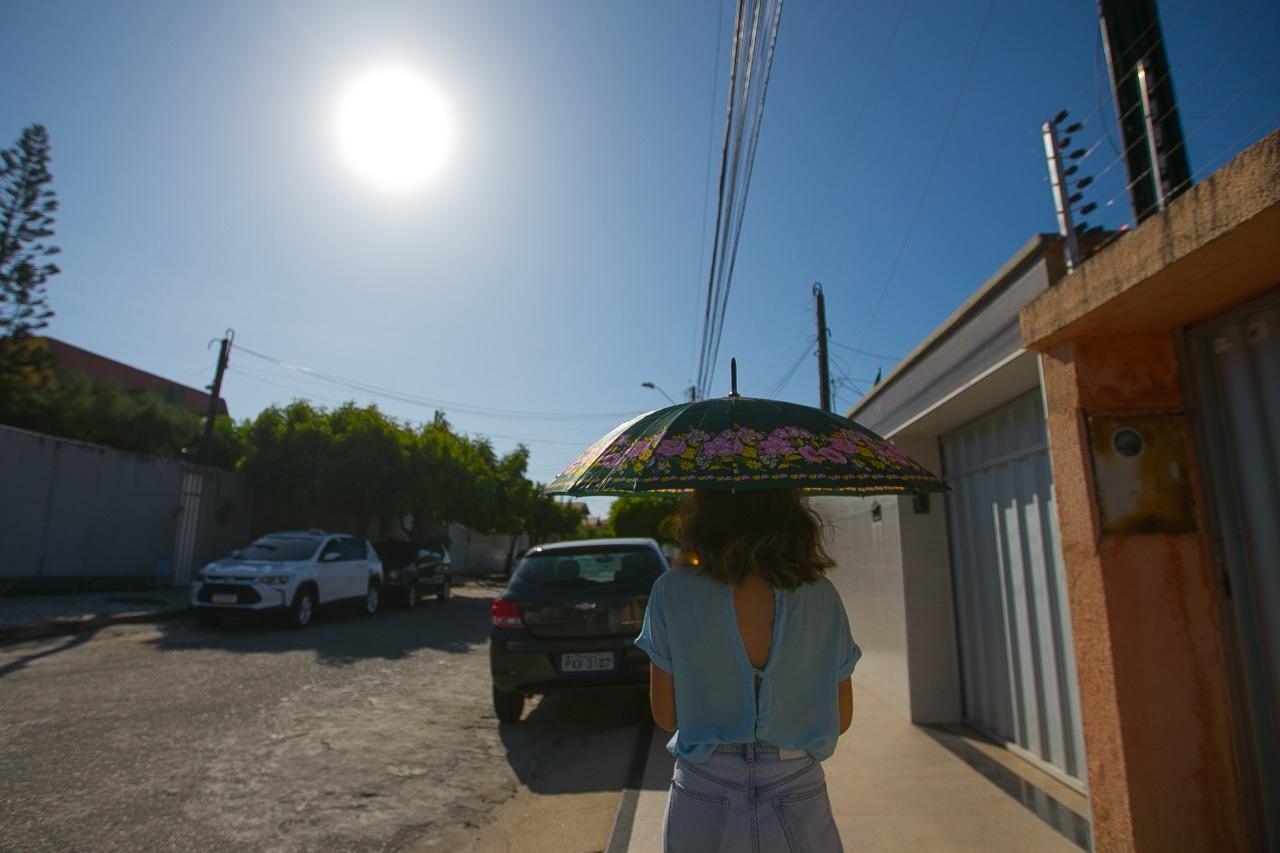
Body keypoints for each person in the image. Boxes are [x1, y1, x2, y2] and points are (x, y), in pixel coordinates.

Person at [635, 489, 859, 853]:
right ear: (790, 513)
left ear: (704, 513)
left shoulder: (670, 591)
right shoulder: (822, 594)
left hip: (704, 786)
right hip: (796, 783)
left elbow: (665, 715)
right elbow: (842, 717)